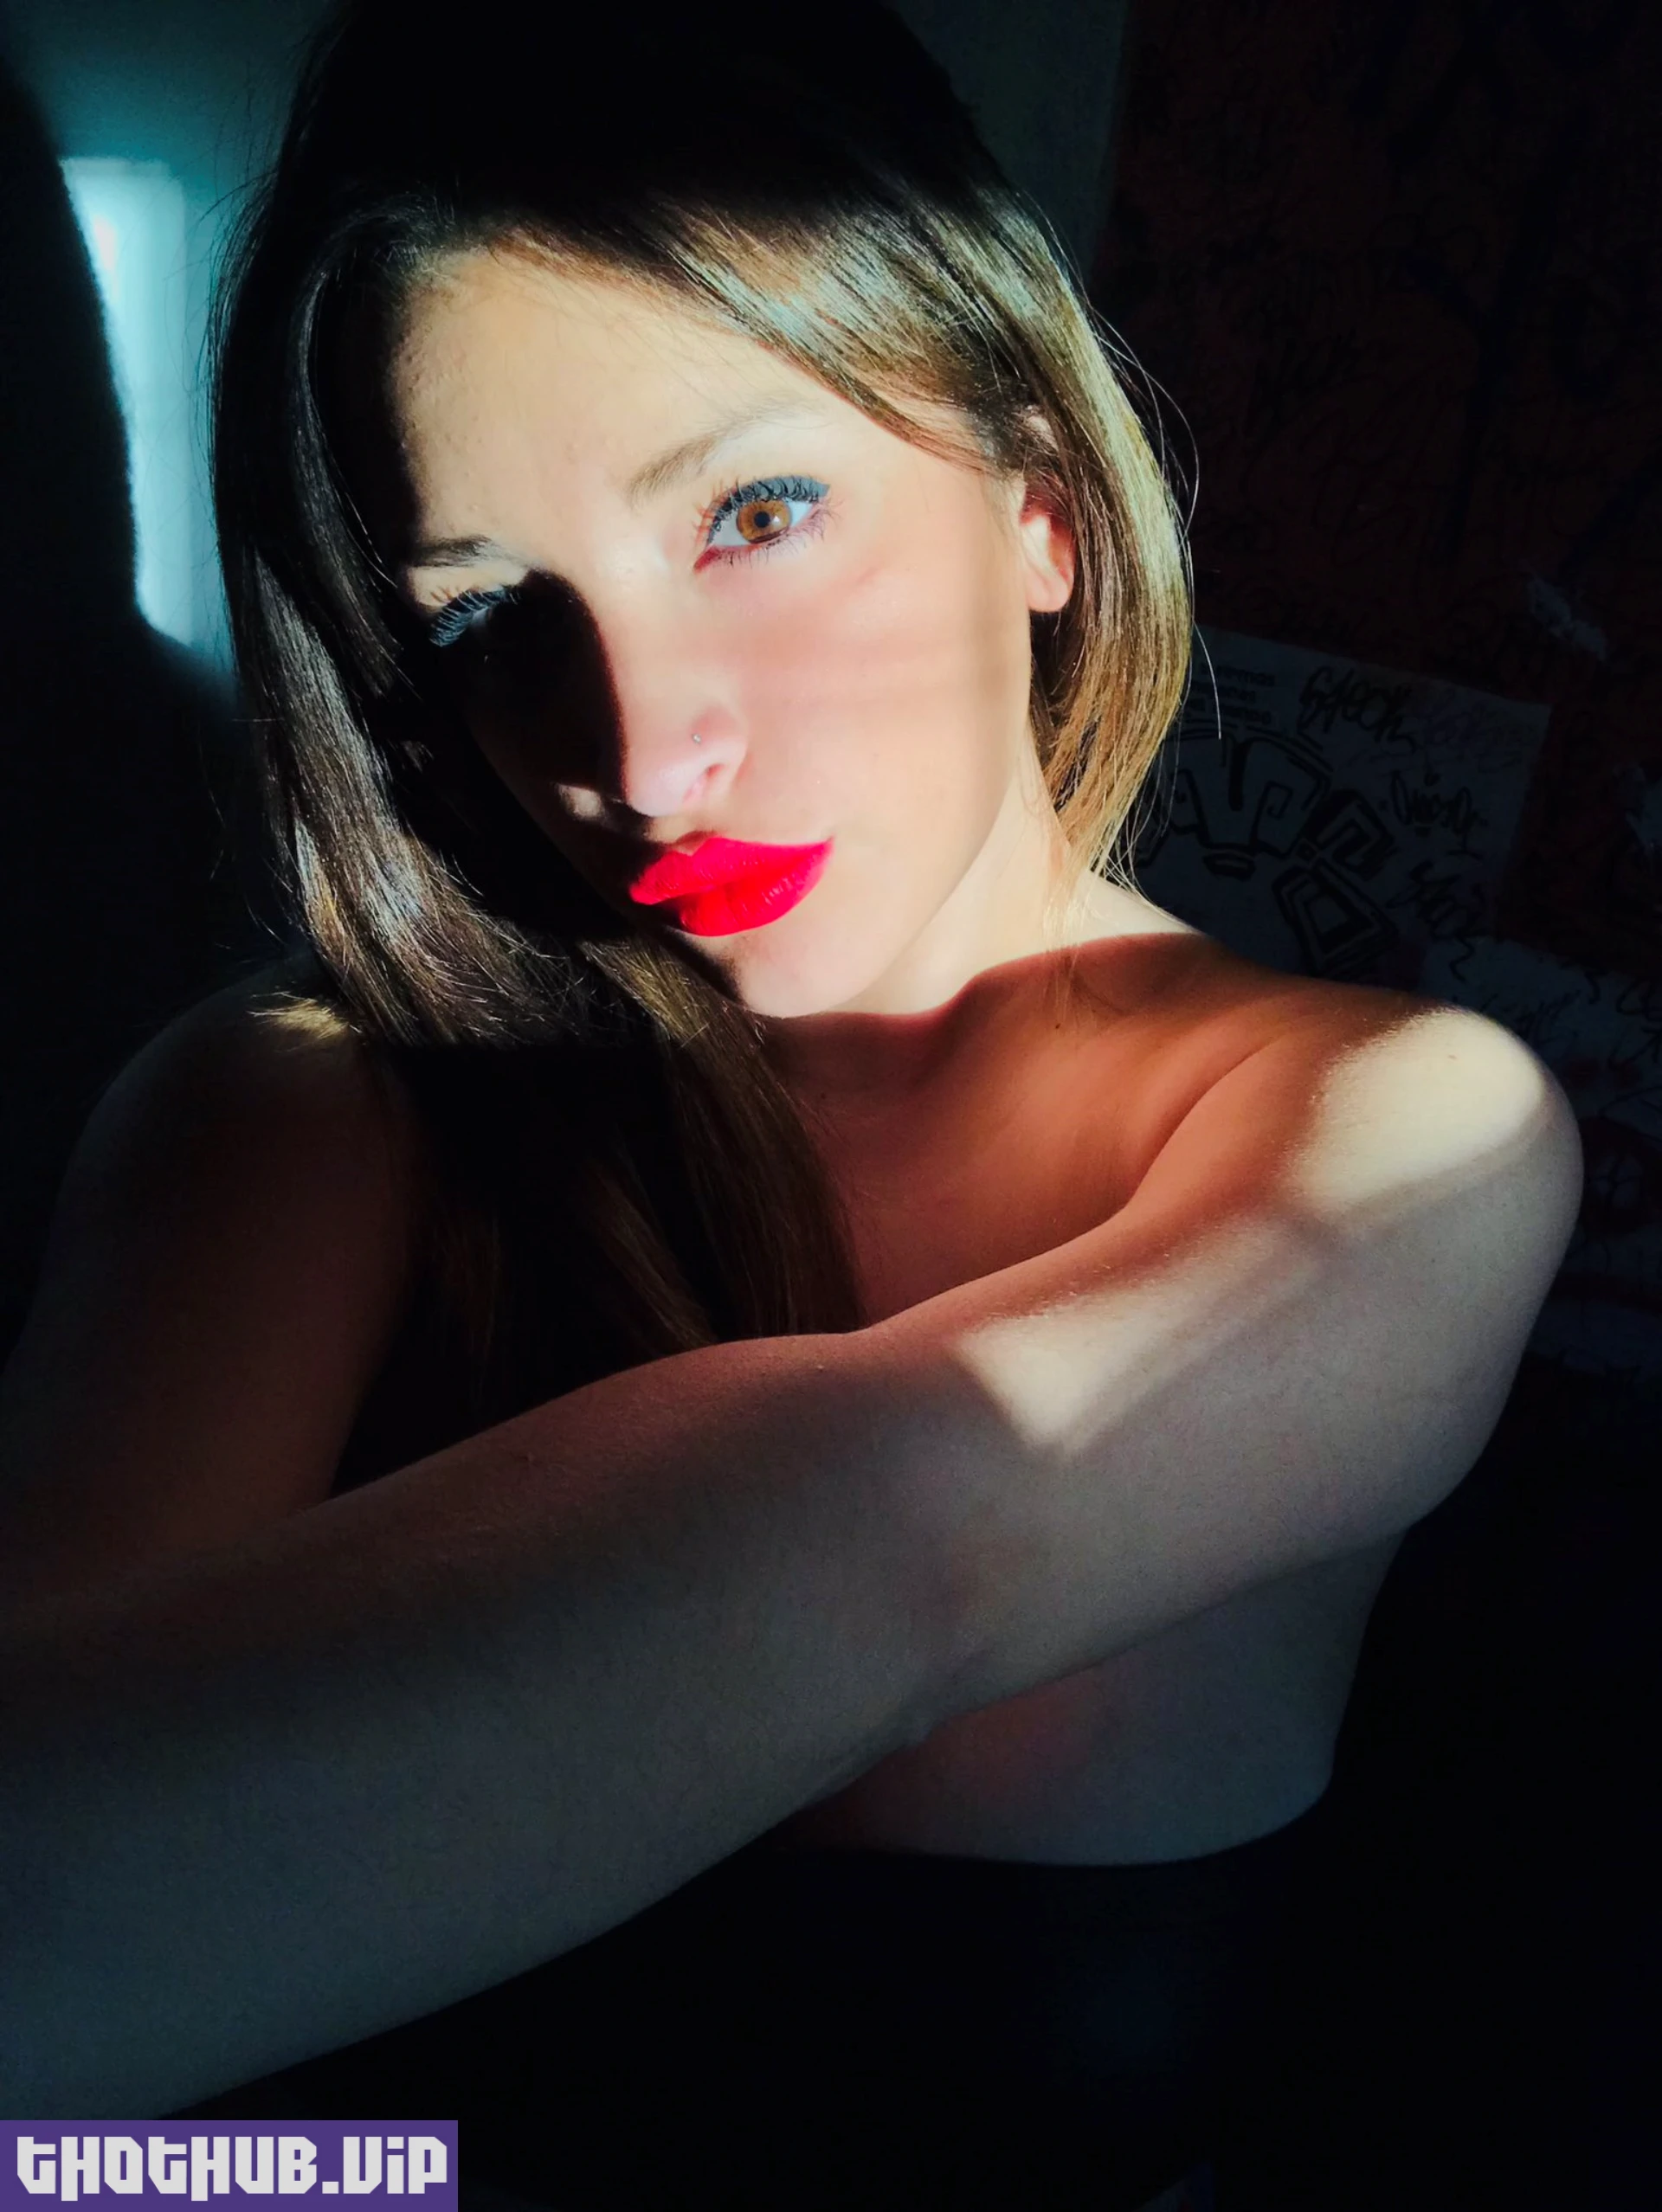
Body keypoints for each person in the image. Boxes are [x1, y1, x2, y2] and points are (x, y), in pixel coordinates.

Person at [0, 2, 1581, 2203]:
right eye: (489, 616)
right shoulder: (304, 1121)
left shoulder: (1402, 1135)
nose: (644, 758)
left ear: (1040, 503)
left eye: (756, 511)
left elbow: (910, 1532)